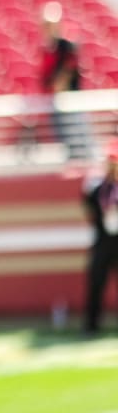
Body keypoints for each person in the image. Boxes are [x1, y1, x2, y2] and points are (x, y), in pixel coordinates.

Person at [40, 1, 89, 160]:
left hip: (69, 99)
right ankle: (74, 158)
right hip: (55, 100)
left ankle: (81, 158)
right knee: (64, 135)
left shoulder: (66, 45)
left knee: (76, 132)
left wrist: (59, 85)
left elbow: (70, 68)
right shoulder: (48, 48)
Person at [81, 140, 118, 334]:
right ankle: (92, 325)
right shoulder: (98, 186)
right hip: (103, 240)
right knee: (96, 282)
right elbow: (88, 207)